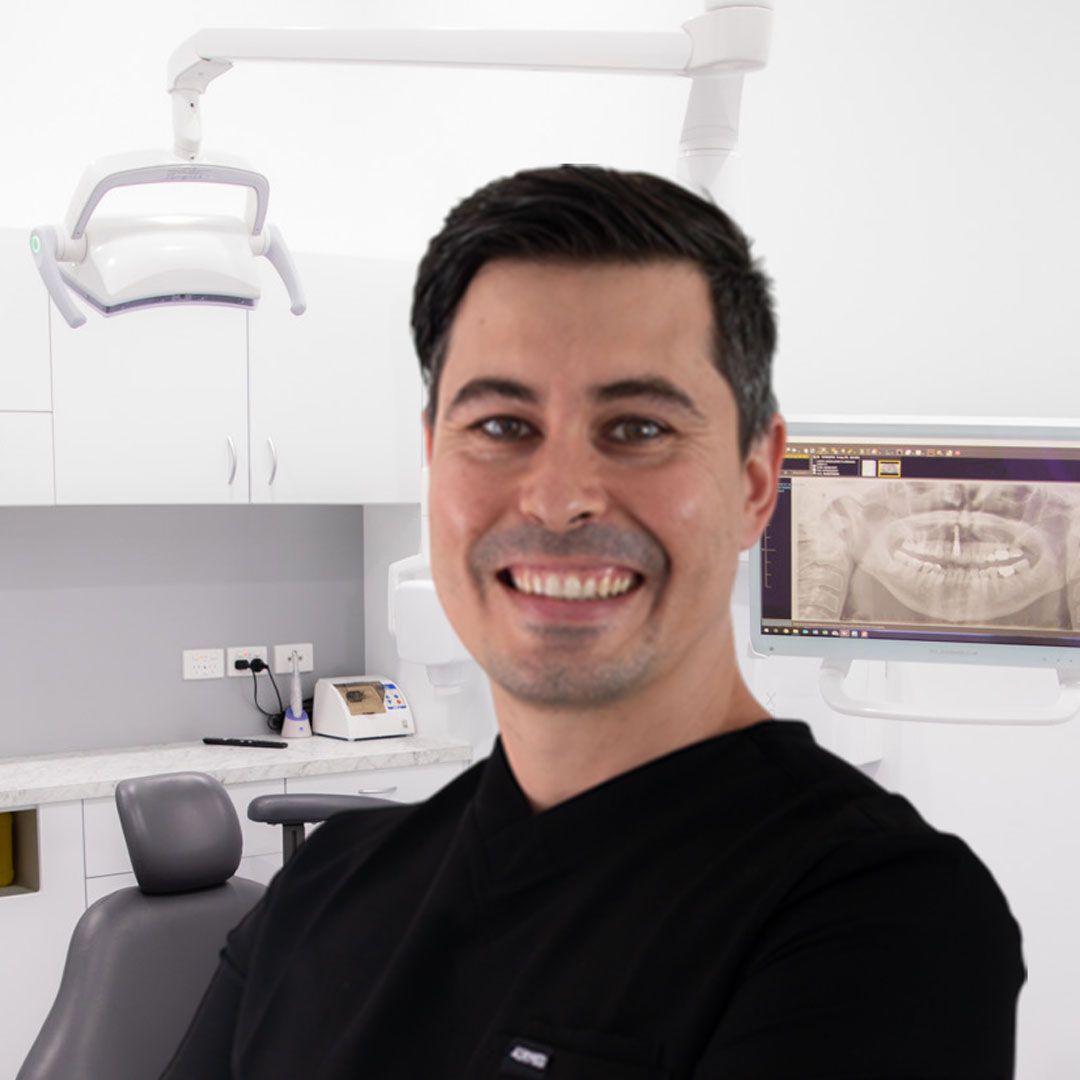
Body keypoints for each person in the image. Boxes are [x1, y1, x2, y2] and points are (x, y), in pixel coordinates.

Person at [163, 165, 1026, 1078]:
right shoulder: (324, 890)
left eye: (639, 428)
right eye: (501, 426)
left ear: (755, 481)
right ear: (432, 458)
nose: (558, 498)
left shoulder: (880, 920)